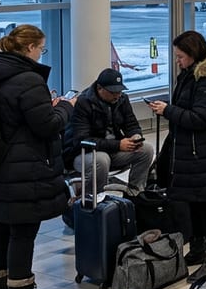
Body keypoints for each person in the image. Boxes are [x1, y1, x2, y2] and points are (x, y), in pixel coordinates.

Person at [0, 24, 74, 289]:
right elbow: (47, 125)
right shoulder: (27, 79)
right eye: (41, 48)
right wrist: (65, 107)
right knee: (23, 232)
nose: (42, 53)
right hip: (23, 168)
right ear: (30, 48)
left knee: (0, 227)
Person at [146, 30, 206, 283]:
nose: (177, 61)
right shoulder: (188, 76)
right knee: (193, 203)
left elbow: (200, 118)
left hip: (204, 154)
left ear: (193, 54)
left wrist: (168, 110)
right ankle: (197, 248)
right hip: (189, 152)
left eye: (180, 57)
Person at [64, 68, 155, 196]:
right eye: (113, 92)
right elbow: (82, 140)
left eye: (119, 91)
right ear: (99, 88)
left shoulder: (122, 99)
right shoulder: (83, 102)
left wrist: (136, 136)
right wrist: (118, 145)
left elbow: (131, 124)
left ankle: (135, 193)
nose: (117, 95)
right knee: (101, 159)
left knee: (146, 150)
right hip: (83, 153)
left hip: (113, 150)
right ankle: (95, 198)